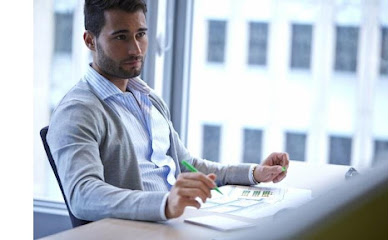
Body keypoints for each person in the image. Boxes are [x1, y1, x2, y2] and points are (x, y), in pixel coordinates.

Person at [47, 0, 290, 222]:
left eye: (140, 34)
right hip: (142, 230)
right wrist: (165, 204)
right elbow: (82, 194)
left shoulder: (148, 98)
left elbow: (188, 165)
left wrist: (254, 174)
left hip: (178, 223)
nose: (136, 49)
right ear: (90, 40)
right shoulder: (77, 111)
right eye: (121, 37)